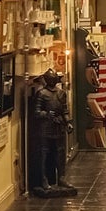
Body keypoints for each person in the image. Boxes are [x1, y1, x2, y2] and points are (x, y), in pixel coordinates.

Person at [32, 68, 76, 197]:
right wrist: (46, 114)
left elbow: (65, 110)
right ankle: (44, 179)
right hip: (46, 127)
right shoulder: (42, 93)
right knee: (44, 154)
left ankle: (61, 178)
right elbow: (36, 112)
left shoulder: (61, 93)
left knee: (60, 153)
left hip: (58, 125)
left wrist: (68, 122)